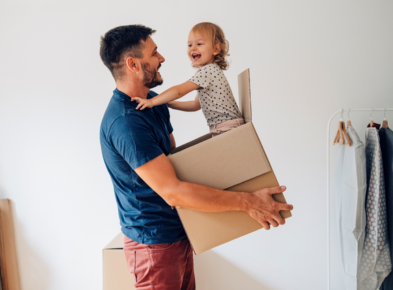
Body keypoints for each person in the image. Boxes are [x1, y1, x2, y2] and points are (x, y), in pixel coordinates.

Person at [99, 24, 293, 290]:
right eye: (155, 53)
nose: (163, 58)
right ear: (133, 64)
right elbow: (173, 192)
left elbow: (177, 161)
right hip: (154, 244)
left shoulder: (152, 104)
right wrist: (248, 202)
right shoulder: (126, 122)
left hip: (179, 233)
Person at [132, 22, 243, 137]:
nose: (193, 48)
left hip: (226, 127)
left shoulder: (208, 72)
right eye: (190, 45)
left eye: (199, 44)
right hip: (225, 126)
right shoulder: (209, 72)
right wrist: (168, 103)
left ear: (216, 48)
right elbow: (195, 105)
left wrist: (152, 101)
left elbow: (179, 91)